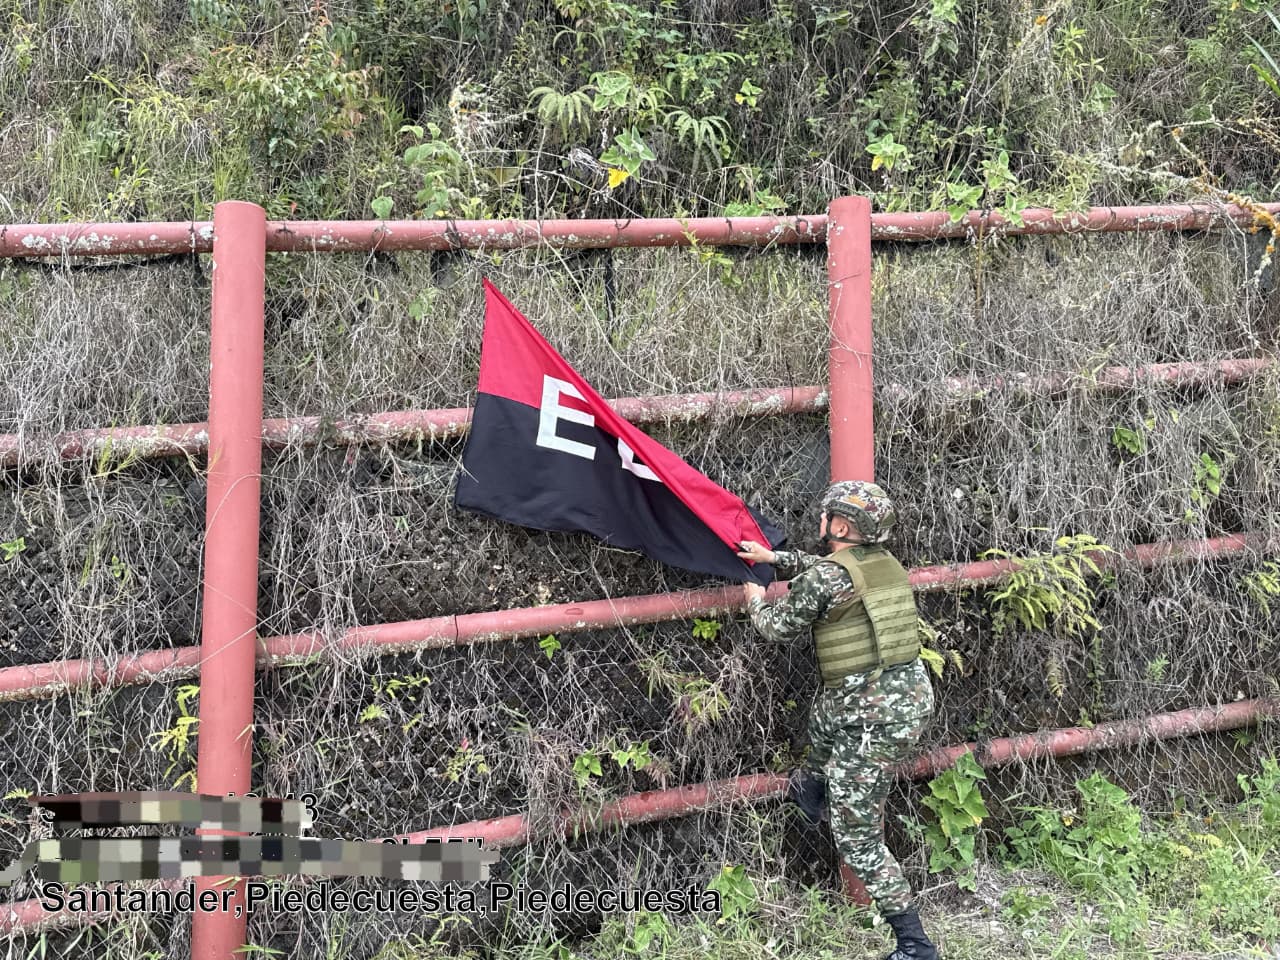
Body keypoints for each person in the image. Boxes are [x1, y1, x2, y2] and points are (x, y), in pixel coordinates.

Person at [738, 480, 938, 960]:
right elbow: (826, 573)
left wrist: (752, 596)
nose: (821, 521)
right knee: (823, 720)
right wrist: (774, 560)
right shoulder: (883, 564)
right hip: (896, 698)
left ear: (841, 524)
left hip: (871, 721)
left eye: (828, 516)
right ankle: (814, 782)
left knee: (858, 838)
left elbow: (775, 627)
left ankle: (915, 944)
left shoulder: (830, 579)